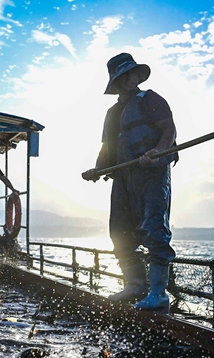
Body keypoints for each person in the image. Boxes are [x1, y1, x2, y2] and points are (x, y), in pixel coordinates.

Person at [82, 53, 177, 312]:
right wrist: (98, 169)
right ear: (116, 82)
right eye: (124, 76)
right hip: (123, 178)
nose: (130, 79)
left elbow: (169, 129)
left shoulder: (151, 100)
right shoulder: (112, 113)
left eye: (133, 74)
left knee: (154, 228)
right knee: (120, 231)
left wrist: (158, 150)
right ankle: (134, 285)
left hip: (152, 175)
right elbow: (107, 147)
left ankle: (158, 293)